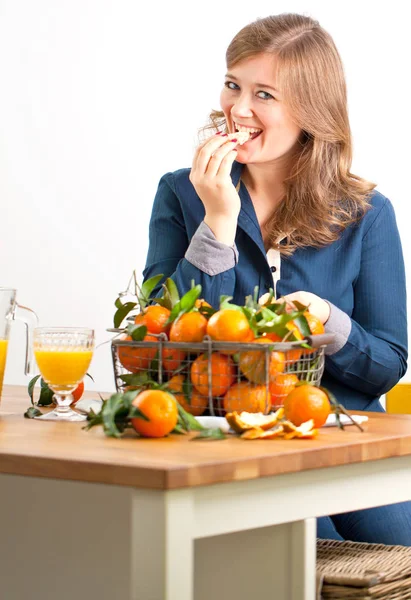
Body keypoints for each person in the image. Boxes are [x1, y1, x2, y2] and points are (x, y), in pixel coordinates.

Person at [143, 13, 408, 544]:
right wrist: (217, 224)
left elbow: (388, 366)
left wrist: (328, 323)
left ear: (311, 110)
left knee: (388, 555)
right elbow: (158, 347)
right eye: (233, 84)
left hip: (340, 446)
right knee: (294, 552)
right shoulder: (180, 193)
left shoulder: (366, 213)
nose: (238, 109)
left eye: (265, 94)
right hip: (228, 452)